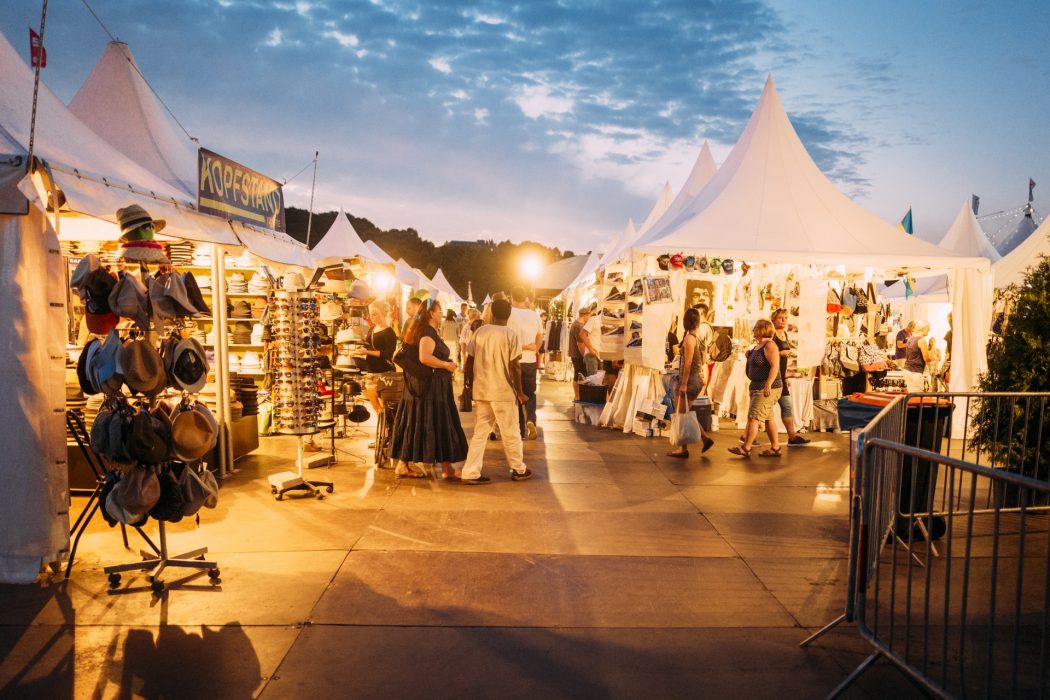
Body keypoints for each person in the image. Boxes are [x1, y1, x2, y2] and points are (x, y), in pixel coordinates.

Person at [389, 298, 468, 479]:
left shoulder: (423, 330)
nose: (441, 314)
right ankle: (445, 469)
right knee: (437, 423)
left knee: (420, 422)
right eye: (439, 311)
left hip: (422, 389)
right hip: (429, 390)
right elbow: (425, 358)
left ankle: (409, 465)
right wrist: (445, 365)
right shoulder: (427, 332)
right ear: (431, 314)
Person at [460, 299, 532, 484]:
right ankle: (518, 468)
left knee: (480, 433)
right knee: (511, 432)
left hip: (482, 391)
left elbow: (469, 361)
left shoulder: (480, 331)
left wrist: (467, 385)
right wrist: (520, 392)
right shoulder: (510, 335)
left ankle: (470, 471)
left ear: (491, 312)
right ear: (509, 315)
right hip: (503, 392)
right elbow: (515, 367)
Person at [729, 319, 782, 458]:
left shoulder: (770, 345)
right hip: (756, 386)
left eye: (755, 328)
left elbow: (775, 366)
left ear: (762, 329)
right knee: (768, 418)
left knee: (753, 417)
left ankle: (746, 447)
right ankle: (775, 447)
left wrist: (768, 384)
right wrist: (749, 356)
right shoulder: (757, 346)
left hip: (766, 387)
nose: (753, 330)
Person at [667, 308, 715, 458]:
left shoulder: (689, 339)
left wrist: (683, 384)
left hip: (690, 379)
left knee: (681, 413)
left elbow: (687, 363)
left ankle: (684, 448)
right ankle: (704, 438)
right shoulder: (698, 338)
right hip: (696, 379)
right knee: (685, 412)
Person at [508, 286, 544, 441]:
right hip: (529, 360)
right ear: (526, 298)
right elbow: (540, 335)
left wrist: (519, 346)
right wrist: (535, 347)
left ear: (512, 297)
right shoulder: (535, 315)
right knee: (530, 393)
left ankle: (520, 429)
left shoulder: (508, 313)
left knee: (515, 395)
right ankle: (531, 419)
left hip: (513, 360)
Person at [771, 308, 810, 446]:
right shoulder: (771, 334)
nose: (783, 320)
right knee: (763, 410)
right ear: (774, 320)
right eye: (780, 318)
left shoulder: (785, 335)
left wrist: (786, 376)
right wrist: (780, 353)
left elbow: (784, 362)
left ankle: (792, 437)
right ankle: (747, 436)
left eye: (785, 318)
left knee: (787, 406)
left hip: (781, 378)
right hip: (771, 378)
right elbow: (767, 352)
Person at [355, 300, 397, 415]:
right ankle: (384, 429)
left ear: (382, 314)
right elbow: (367, 346)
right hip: (371, 370)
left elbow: (388, 354)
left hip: (385, 372)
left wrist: (367, 351)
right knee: (375, 406)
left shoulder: (389, 332)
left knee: (385, 406)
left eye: (374, 314)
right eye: (370, 313)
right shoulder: (371, 329)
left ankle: (386, 430)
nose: (371, 317)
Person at [568, 306, 592, 397]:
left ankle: (577, 397)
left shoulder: (575, 324)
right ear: (585, 315)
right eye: (589, 315)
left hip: (575, 354)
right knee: (580, 376)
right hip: (578, 355)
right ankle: (577, 397)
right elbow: (580, 344)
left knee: (577, 375)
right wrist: (584, 356)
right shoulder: (579, 326)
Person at [902, 320, 931, 393]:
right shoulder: (921, 341)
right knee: (917, 396)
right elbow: (926, 358)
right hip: (915, 372)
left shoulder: (910, 338)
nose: (929, 330)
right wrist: (933, 358)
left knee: (911, 395)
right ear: (923, 329)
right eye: (928, 328)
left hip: (907, 370)